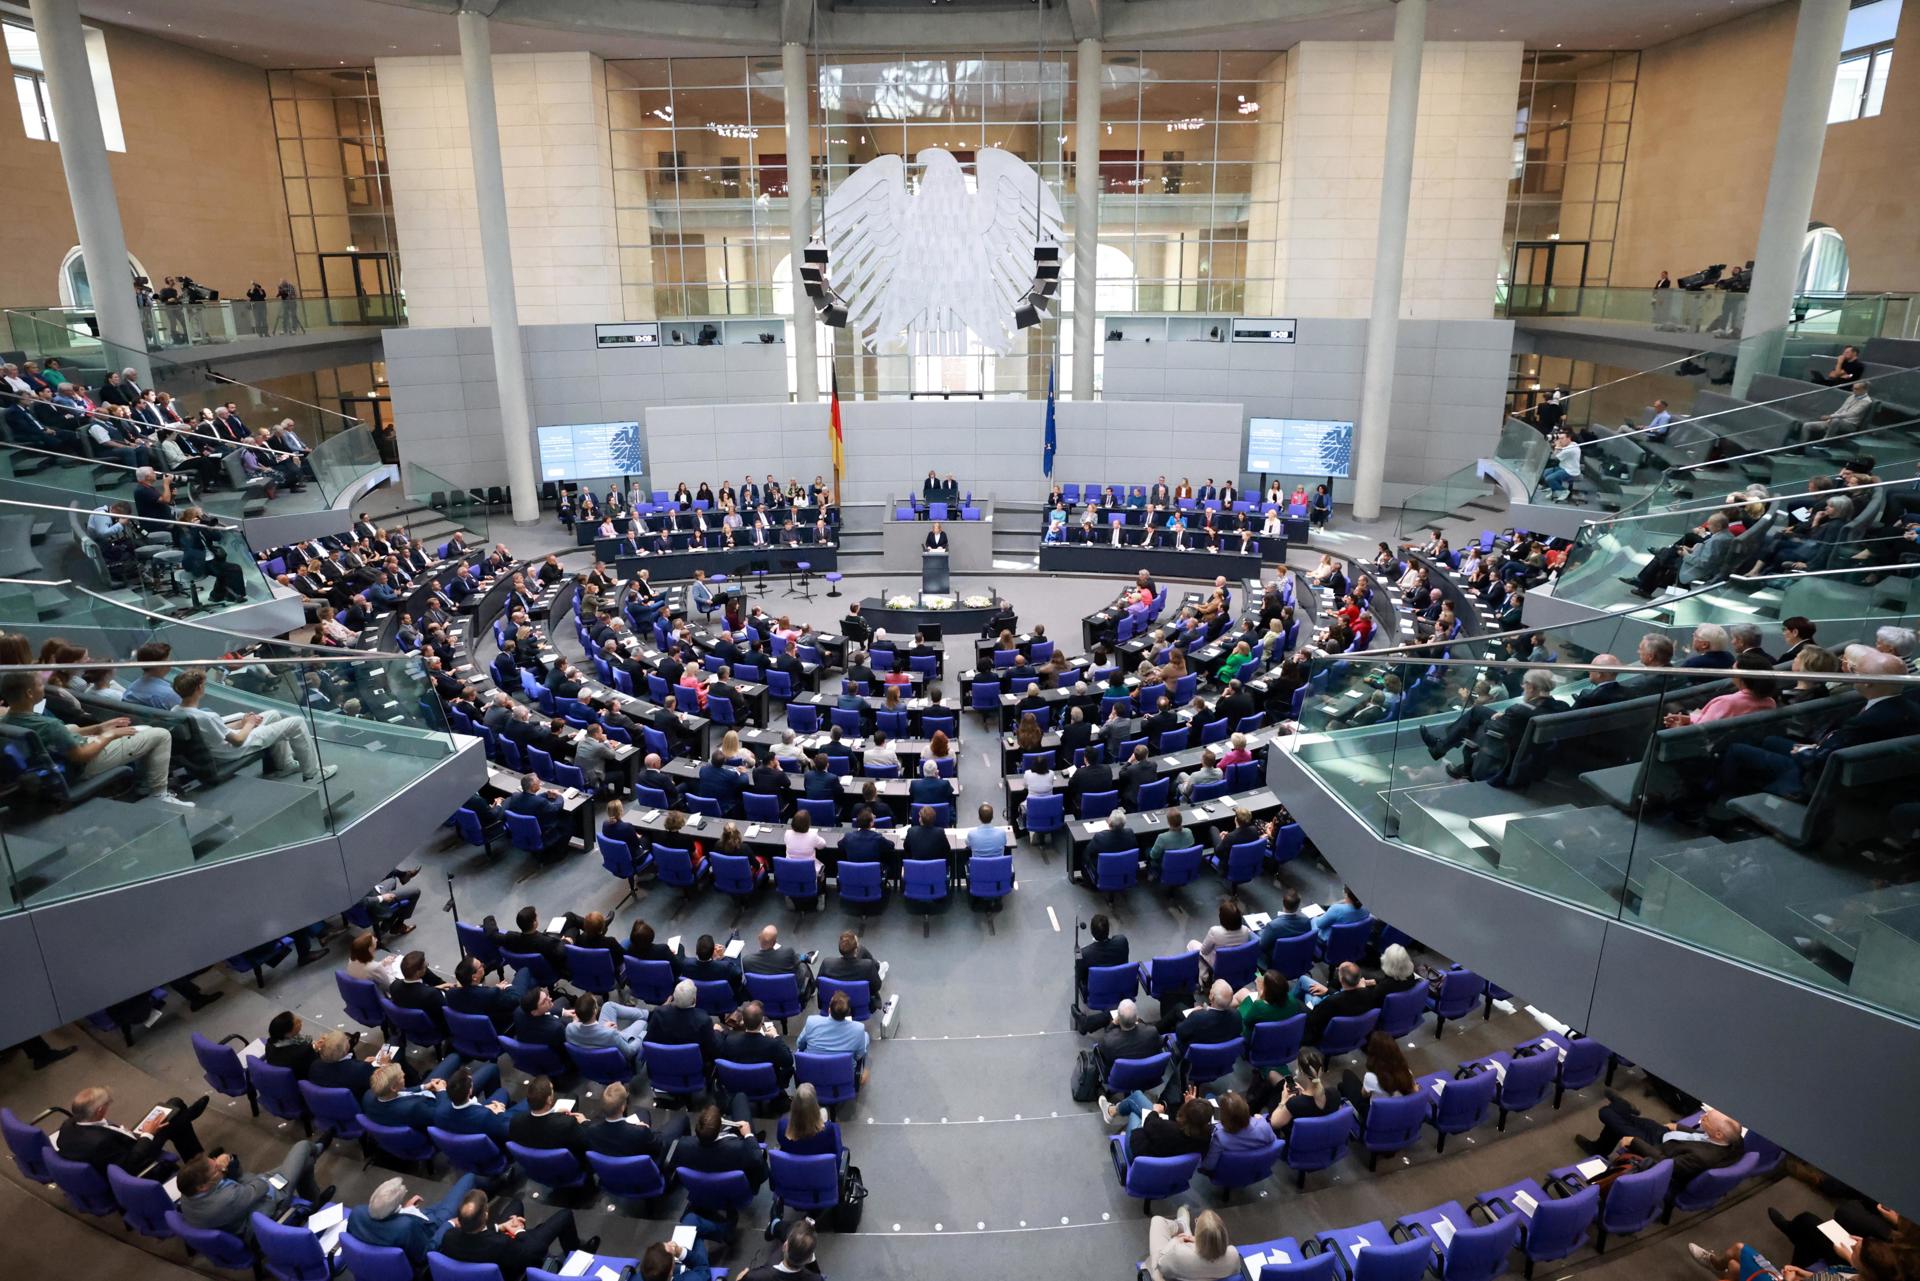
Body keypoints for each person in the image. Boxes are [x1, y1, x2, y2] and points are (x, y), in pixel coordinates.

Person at [1, 670, 189, 806]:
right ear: (29, 693)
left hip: (56, 759)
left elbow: (57, 735)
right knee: (161, 735)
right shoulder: (48, 725)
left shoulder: (8, 720)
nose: (44, 687)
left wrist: (98, 728)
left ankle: (143, 784)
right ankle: (159, 794)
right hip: (84, 764)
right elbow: (81, 756)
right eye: (40, 685)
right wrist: (109, 735)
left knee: (143, 729)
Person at [172, 670, 337, 784]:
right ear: (199, 688)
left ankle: (286, 764)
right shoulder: (205, 717)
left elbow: (217, 728)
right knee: (297, 722)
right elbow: (237, 740)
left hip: (219, 746)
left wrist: (243, 722)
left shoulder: (177, 711)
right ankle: (313, 773)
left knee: (272, 714)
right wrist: (249, 724)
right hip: (234, 749)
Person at [1576, 1100, 1747, 1188]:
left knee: (1607, 1114)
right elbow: (1702, 1137)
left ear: (1718, 1133)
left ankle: (1620, 1108)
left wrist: (1634, 1142)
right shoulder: (1733, 1139)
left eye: (1706, 1119)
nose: (1701, 1118)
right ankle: (1620, 1112)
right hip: (1669, 1137)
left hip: (1655, 1148)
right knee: (1622, 1121)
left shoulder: (1701, 1157)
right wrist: (1679, 1127)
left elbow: (1665, 1164)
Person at [435, 1187, 594, 1281]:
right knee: (564, 1215)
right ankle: (575, 1251)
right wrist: (519, 1231)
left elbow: (477, 1237)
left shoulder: (449, 1236)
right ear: (485, 1215)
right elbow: (534, 1254)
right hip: (512, 1266)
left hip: (489, 1253)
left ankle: (523, 1227)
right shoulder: (500, 1244)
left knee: (516, 1204)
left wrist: (501, 1227)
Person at [176, 1140, 327, 1238]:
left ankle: (313, 1201)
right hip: (270, 1202)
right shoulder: (227, 1198)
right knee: (302, 1147)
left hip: (245, 1201)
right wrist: (227, 1167)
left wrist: (227, 1165)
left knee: (305, 1163)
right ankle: (317, 1150)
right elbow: (261, 1185)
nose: (219, 1167)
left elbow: (240, 1186)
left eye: (215, 1161)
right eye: (216, 1169)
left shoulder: (187, 1194)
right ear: (202, 1186)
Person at [56, 1085, 209, 1171]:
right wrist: (148, 1134)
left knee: (174, 1104)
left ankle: (186, 1120)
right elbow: (131, 1163)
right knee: (173, 1122)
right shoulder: (100, 1143)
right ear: (100, 1110)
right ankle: (199, 1161)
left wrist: (120, 1131)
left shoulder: (67, 1125)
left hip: (123, 1143)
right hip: (137, 1157)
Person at [346, 1174, 479, 1266]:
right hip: (434, 1225)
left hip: (412, 1217)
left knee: (445, 1202)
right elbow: (426, 1253)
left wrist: (404, 1210)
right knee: (469, 1178)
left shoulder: (357, 1213)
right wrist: (448, 1224)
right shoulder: (405, 1227)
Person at [1336, 1029, 1418, 1119]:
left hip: (1375, 1116)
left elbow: (1364, 1095)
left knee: (1346, 1075)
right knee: (1342, 1085)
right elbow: (1414, 1091)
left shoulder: (1371, 1078)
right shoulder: (1407, 1072)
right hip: (1397, 1113)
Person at [1145, 1207, 1241, 1281]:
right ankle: (1183, 1225)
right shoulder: (1233, 1255)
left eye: (1197, 1222)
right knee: (1186, 1237)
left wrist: (1174, 1241)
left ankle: (1181, 1225)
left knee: (1157, 1220)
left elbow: (1161, 1264)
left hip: (1172, 1272)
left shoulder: (1179, 1252)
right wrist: (1199, 1242)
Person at [797, 989, 871, 1083]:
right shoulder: (858, 1029)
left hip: (812, 1074)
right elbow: (859, 1055)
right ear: (848, 1012)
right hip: (843, 1076)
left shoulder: (812, 1022)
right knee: (866, 1037)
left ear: (829, 1009)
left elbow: (800, 1044)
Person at [1304, 962, 1381, 1043]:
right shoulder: (1370, 994)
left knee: (1307, 994)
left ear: (1341, 979)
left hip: (1324, 1032)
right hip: (1349, 1032)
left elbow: (1312, 1019)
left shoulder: (1332, 1001)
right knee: (1304, 980)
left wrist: (1328, 992)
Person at [564, 992, 649, 1064]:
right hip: (615, 1056)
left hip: (596, 1042)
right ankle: (649, 1017)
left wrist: (603, 1028)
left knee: (608, 1006)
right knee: (643, 1023)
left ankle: (647, 1014)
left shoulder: (569, 1028)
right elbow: (630, 1052)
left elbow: (588, 1031)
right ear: (595, 1011)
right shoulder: (610, 1034)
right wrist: (642, 1036)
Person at [742, 923, 816, 1004]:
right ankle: (811, 990)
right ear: (774, 943)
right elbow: (795, 964)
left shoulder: (746, 961)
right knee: (802, 965)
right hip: (788, 998)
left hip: (764, 999)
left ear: (759, 938)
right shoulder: (787, 953)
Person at [1269, 1048, 1339, 1132]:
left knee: (1273, 1097)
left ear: (1301, 1072)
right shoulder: (1334, 1093)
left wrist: (1283, 1101)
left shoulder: (1294, 1103)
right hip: (1322, 1134)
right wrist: (1302, 1092)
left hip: (1300, 1139)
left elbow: (1274, 1123)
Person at [1093, 999, 1165, 1075]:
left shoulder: (1109, 1042)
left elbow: (1102, 1051)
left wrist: (1112, 1024)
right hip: (1147, 1076)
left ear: (1118, 1020)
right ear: (1136, 1017)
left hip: (1120, 1078)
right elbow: (1159, 1046)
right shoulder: (1152, 1032)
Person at [1191, 898, 1251, 986]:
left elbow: (1204, 951)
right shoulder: (1246, 930)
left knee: (1192, 944)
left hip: (1219, 964)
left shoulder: (1215, 932)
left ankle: (1204, 977)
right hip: (1237, 962)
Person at [1253, 888, 1314, 971]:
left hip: (1276, 963)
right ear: (1298, 904)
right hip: (1297, 958)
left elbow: (1261, 946)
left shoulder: (1273, 926)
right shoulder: (1306, 921)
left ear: (1283, 902)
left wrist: (1259, 932)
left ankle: (1259, 977)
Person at [1076, 913, 1128, 1000]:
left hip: (1096, 993)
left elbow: (1079, 976)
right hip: (1119, 986)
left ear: (1092, 932)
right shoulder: (1122, 942)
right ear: (1108, 930)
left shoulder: (1084, 953)